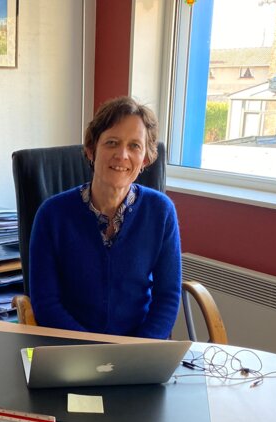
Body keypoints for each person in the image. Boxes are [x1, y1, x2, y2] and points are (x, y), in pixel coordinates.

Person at [28, 96, 181, 340]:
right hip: (69, 347)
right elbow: (46, 304)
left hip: (139, 351)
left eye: (134, 146)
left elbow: (168, 297)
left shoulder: (161, 212)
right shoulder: (52, 215)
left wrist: (140, 350)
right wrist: (95, 352)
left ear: (146, 159)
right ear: (91, 150)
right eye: (112, 143)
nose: (122, 155)